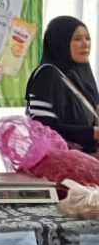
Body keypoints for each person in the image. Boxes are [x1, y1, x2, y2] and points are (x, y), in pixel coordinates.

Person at [26, 16, 99, 154]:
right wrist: (93, 133)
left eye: (87, 38)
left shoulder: (82, 76)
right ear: (60, 42)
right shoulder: (47, 75)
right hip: (60, 163)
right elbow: (43, 127)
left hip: (87, 160)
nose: (85, 44)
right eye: (77, 39)